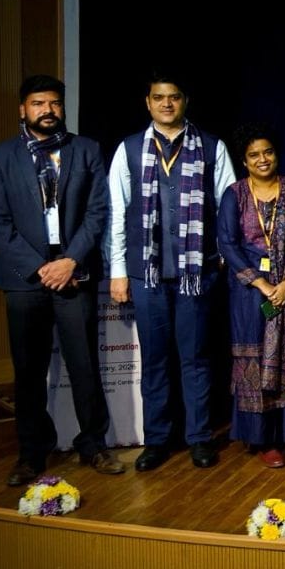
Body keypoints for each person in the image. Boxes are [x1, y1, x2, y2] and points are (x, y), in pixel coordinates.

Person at [0, 75, 123, 485]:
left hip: (73, 274)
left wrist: (69, 261)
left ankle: (93, 445)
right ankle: (31, 453)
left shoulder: (86, 150)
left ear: (62, 107)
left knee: (85, 365)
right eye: (37, 103)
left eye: (54, 103)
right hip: (25, 279)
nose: (47, 110)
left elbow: (98, 212)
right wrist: (40, 267)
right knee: (29, 371)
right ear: (22, 109)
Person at [106, 73, 236, 470]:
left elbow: (229, 206)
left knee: (196, 358)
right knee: (155, 360)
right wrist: (118, 271)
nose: (167, 104)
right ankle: (157, 440)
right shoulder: (129, 149)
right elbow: (116, 213)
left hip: (197, 274)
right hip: (147, 275)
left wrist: (224, 257)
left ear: (185, 101)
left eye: (174, 97)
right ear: (147, 102)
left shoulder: (212, 146)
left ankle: (199, 437)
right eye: (159, 97)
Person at [216, 124, 285, 469]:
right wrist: (260, 284)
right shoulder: (234, 195)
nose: (262, 159)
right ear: (244, 161)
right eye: (254, 155)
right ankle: (265, 439)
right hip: (251, 294)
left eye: (268, 152)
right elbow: (227, 244)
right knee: (257, 359)